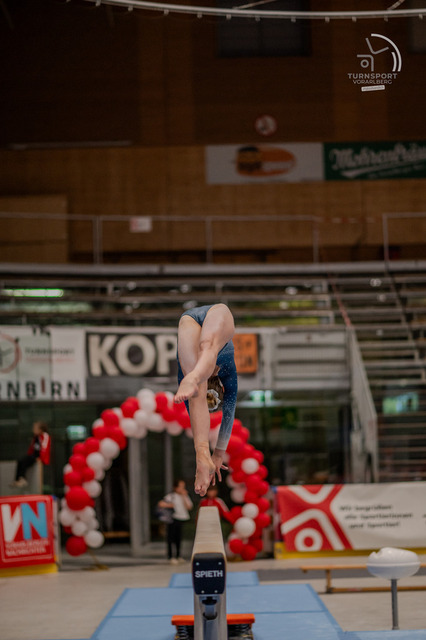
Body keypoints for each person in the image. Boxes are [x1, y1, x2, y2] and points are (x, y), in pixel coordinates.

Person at [174, 303, 238, 497]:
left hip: (189, 321)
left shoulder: (191, 384)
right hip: (216, 314)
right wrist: (218, 453)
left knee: (196, 395)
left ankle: (201, 454)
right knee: (208, 346)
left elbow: (199, 411)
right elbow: (229, 413)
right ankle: (195, 377)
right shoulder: (228, 374)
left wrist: (212, 453)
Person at [158, 479, 193, 564]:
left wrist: (184, 496)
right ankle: (171, 556)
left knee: (178, 538)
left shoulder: (185, 496)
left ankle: (178, 555)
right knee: (170, 537)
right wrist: (169, 505)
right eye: (180, 486)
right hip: (173, 518)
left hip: (181, 518)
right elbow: (161, 503)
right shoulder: (171, 496)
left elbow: (189, 507)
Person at [11, 421, 51, 488]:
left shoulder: (45, 436)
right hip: (33, 455)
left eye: (35, 428)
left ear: (40, 429)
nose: (33, 430)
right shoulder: (36, 437)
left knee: (25, 462)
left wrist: (40, 458)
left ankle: (22, 478)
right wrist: (28, 455)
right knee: (20, 461)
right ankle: (18, 479)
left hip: (39, 457)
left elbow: (44, 448)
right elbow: (32, 448)